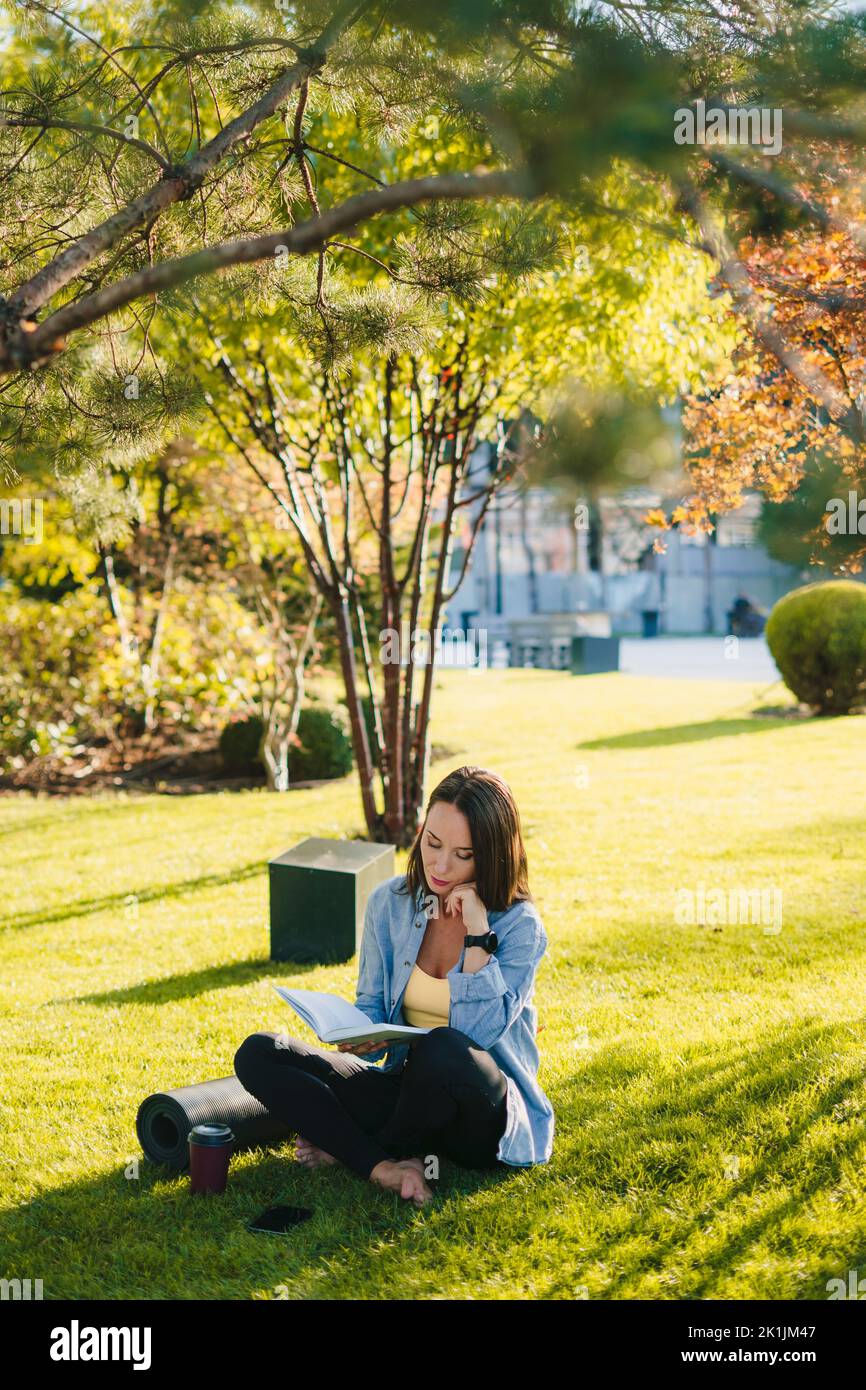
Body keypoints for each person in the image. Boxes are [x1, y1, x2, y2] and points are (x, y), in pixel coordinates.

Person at [233, 765, 555, 1206]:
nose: (441, 866)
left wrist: (478, 934)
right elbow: (372, 1006)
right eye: (433, 843)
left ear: (494, 855)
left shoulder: (520, 927)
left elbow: (477, 1036)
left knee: (442, 1047)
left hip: (480, 1117)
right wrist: (362, 1035)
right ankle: (382, 1165)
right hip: (409, 1096)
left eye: (464, 854)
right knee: (260, 1052)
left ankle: (352, 1147)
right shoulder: (391, 902)